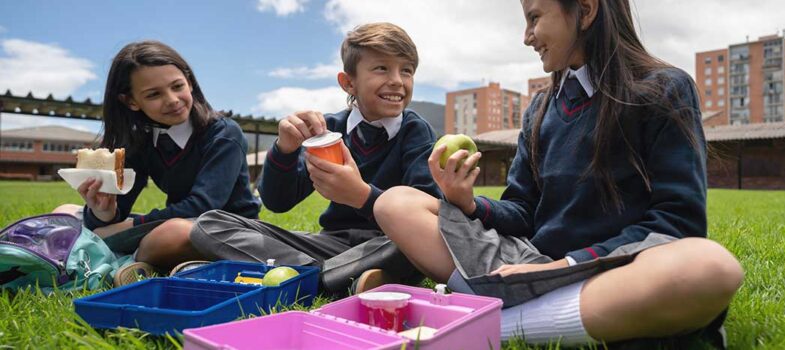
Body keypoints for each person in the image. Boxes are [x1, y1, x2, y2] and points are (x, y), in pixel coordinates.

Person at [371, 0, 744, 347]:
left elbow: (677, 222)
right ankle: (548, 313)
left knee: (710, 267)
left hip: (611, 272)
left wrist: (567, 266)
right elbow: (522, 210)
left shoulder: (664, 88)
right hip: (525, 263)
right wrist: (466, 202)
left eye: (534, 18)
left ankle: (492, 324)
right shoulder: (540, 109)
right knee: (395, 203)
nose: (527, 36)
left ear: (584, 10)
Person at [189, 22, 441, 296]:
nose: (397, 80)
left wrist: (363, 196)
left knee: (411, 246)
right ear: (349, 82)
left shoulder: (415, 131)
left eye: (407, 70)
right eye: (382, 68)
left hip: (388, 242)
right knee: (209, 224)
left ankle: (304, 277)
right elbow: (278, 202)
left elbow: (423, 216)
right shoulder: (326, 130)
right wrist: (284, 150)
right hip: (330, 244)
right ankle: (333, 277)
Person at [53, 41, 260, 285]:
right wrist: (103, 211)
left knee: (167, 236)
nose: (172, 100)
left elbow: (203, 205)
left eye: (177, 86)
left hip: (229, 230)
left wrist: (128, 225)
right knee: (64, 213)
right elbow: (115, 213)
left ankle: (125, 262)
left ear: (189, 82)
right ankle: (138, 261)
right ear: (131, 101)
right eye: (154, 94)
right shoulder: (141, 141)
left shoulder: (224, 133)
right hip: (175, 224)